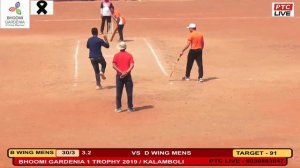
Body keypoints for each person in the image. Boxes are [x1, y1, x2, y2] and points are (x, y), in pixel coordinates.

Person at [112, 42, 134, 112]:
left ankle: (118, 108)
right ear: (125, 47)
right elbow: (132, 65)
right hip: (128, 76)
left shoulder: (116, 55)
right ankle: (130, 107)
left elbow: (113, 65)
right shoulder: (129, 55)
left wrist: (121, 72)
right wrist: (126, 72)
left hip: (119, 76)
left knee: (118, 93)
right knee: (129, 93)